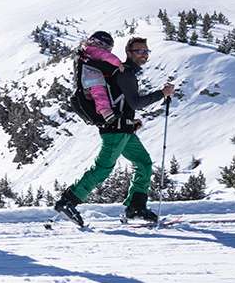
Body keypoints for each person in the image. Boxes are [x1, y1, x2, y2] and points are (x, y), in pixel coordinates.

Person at [54, 36, 174, 226]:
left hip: (124, 130)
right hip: (115, 131)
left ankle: (136, 208)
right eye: (139, 51)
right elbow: (136, 102)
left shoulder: (121, 73)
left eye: (146, 51)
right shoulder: (124, 73)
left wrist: (130, 120)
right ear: (128, 53)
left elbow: (123, 103)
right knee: (103, 168)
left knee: (143, 163)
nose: (143, 54)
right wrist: (162, 94)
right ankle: (68, 201)